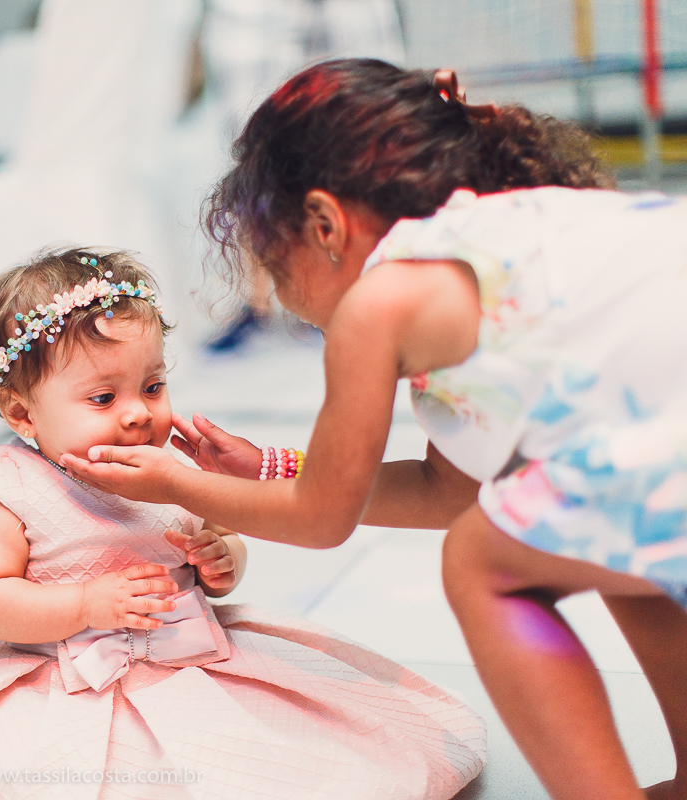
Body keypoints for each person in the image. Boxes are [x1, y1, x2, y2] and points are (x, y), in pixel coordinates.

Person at [61, 59, 687, 800]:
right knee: (596, 536)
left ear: (325, 226)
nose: (288, 302)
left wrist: (179, 483)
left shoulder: (382, 300)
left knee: (480, 562)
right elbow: (443, 491)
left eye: (272, 265)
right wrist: (267, 467)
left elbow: (326, 518)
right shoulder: (493, 236)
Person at [0, 246, 486, 800]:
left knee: (288, 759)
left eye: (153, 385)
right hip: (54, 675)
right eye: (102, 396)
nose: (139, 411)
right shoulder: (12, 486)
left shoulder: (161, 465)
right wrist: (82, 605)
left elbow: (219, 536)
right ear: (23, 416)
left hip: (192, 662)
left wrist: (220, 555)